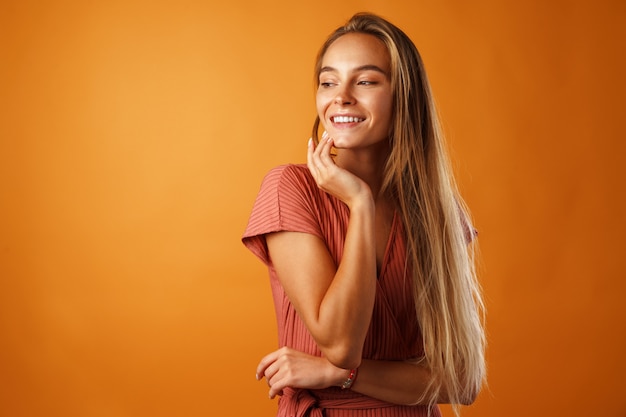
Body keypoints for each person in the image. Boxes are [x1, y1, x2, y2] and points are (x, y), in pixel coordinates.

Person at [242, 12, 485, 417]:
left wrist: (336, 374)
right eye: (328, 81)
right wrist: (359, 202)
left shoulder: (438, 212)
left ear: (404, 96)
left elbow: (461, 379)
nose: (342, 96)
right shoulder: (290, 189)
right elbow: (340, 342)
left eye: (367, 80)